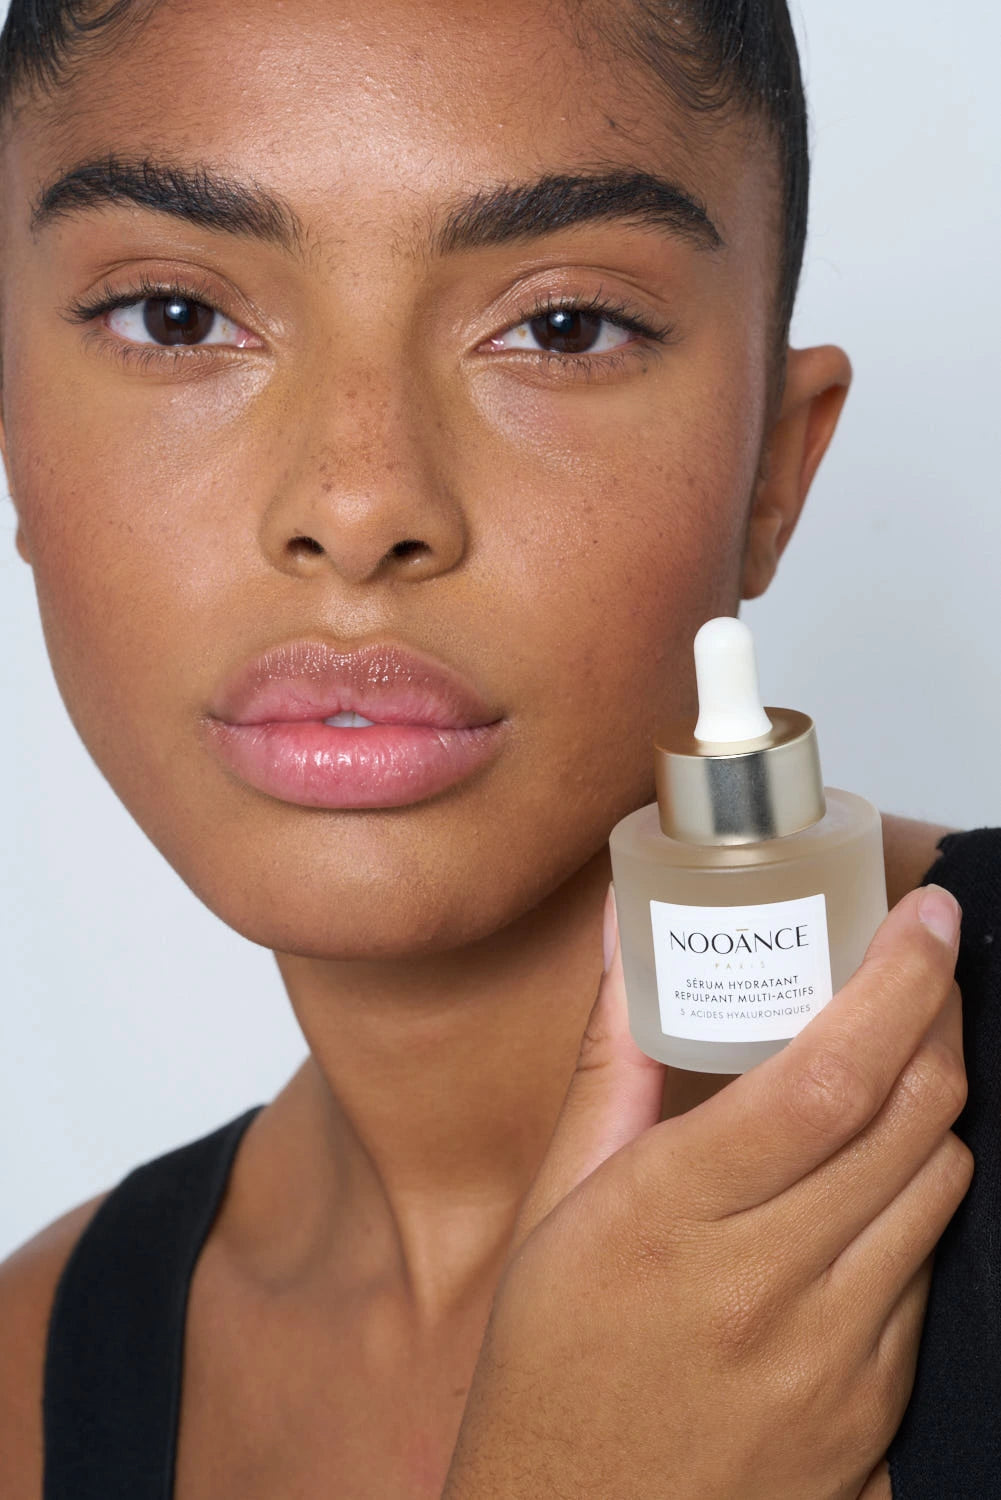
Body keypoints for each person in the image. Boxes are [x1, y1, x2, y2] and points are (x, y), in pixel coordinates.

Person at [0, 0, 994, 1496]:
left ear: (773, 476)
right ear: (12, 428)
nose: (357, 505)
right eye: (176, 318)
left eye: (561, 327)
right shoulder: (28, 1386)